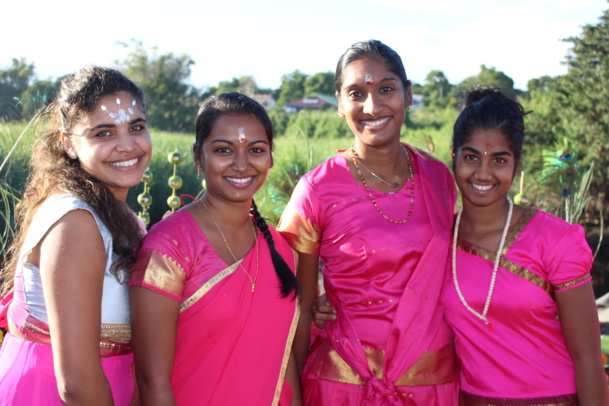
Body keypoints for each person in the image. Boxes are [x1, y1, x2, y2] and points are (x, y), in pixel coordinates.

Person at [277, 40, 459, 405]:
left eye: (387, 89)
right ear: (340, 105)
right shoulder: (317, 189)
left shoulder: (439, 179)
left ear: (407, 95)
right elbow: (298, 303)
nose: (373, 107)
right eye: (356, 93)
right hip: (342, 385)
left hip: (432, 384)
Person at [130, 92, 302, 406]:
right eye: (224, 150)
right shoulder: (169, 247)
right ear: (198, 157)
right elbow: (151, 382)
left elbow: (282, 361)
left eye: (256, 150)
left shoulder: (280, 249)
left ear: (270, 157)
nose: (241, 164)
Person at [444, 87, 608, 405]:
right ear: (454, 155)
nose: (483, 172)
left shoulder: (555, 240)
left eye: (499, 160)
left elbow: (588, 358)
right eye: (471, 157)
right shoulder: (440, 239)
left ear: (517, 163)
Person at [0, 66, 151, 405]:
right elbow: (77, 383)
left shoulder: (123, 217)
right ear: (69, 144)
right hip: (49, 393)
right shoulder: (76, 221)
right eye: (104, 134)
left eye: (136, 127)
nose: (127, 145)